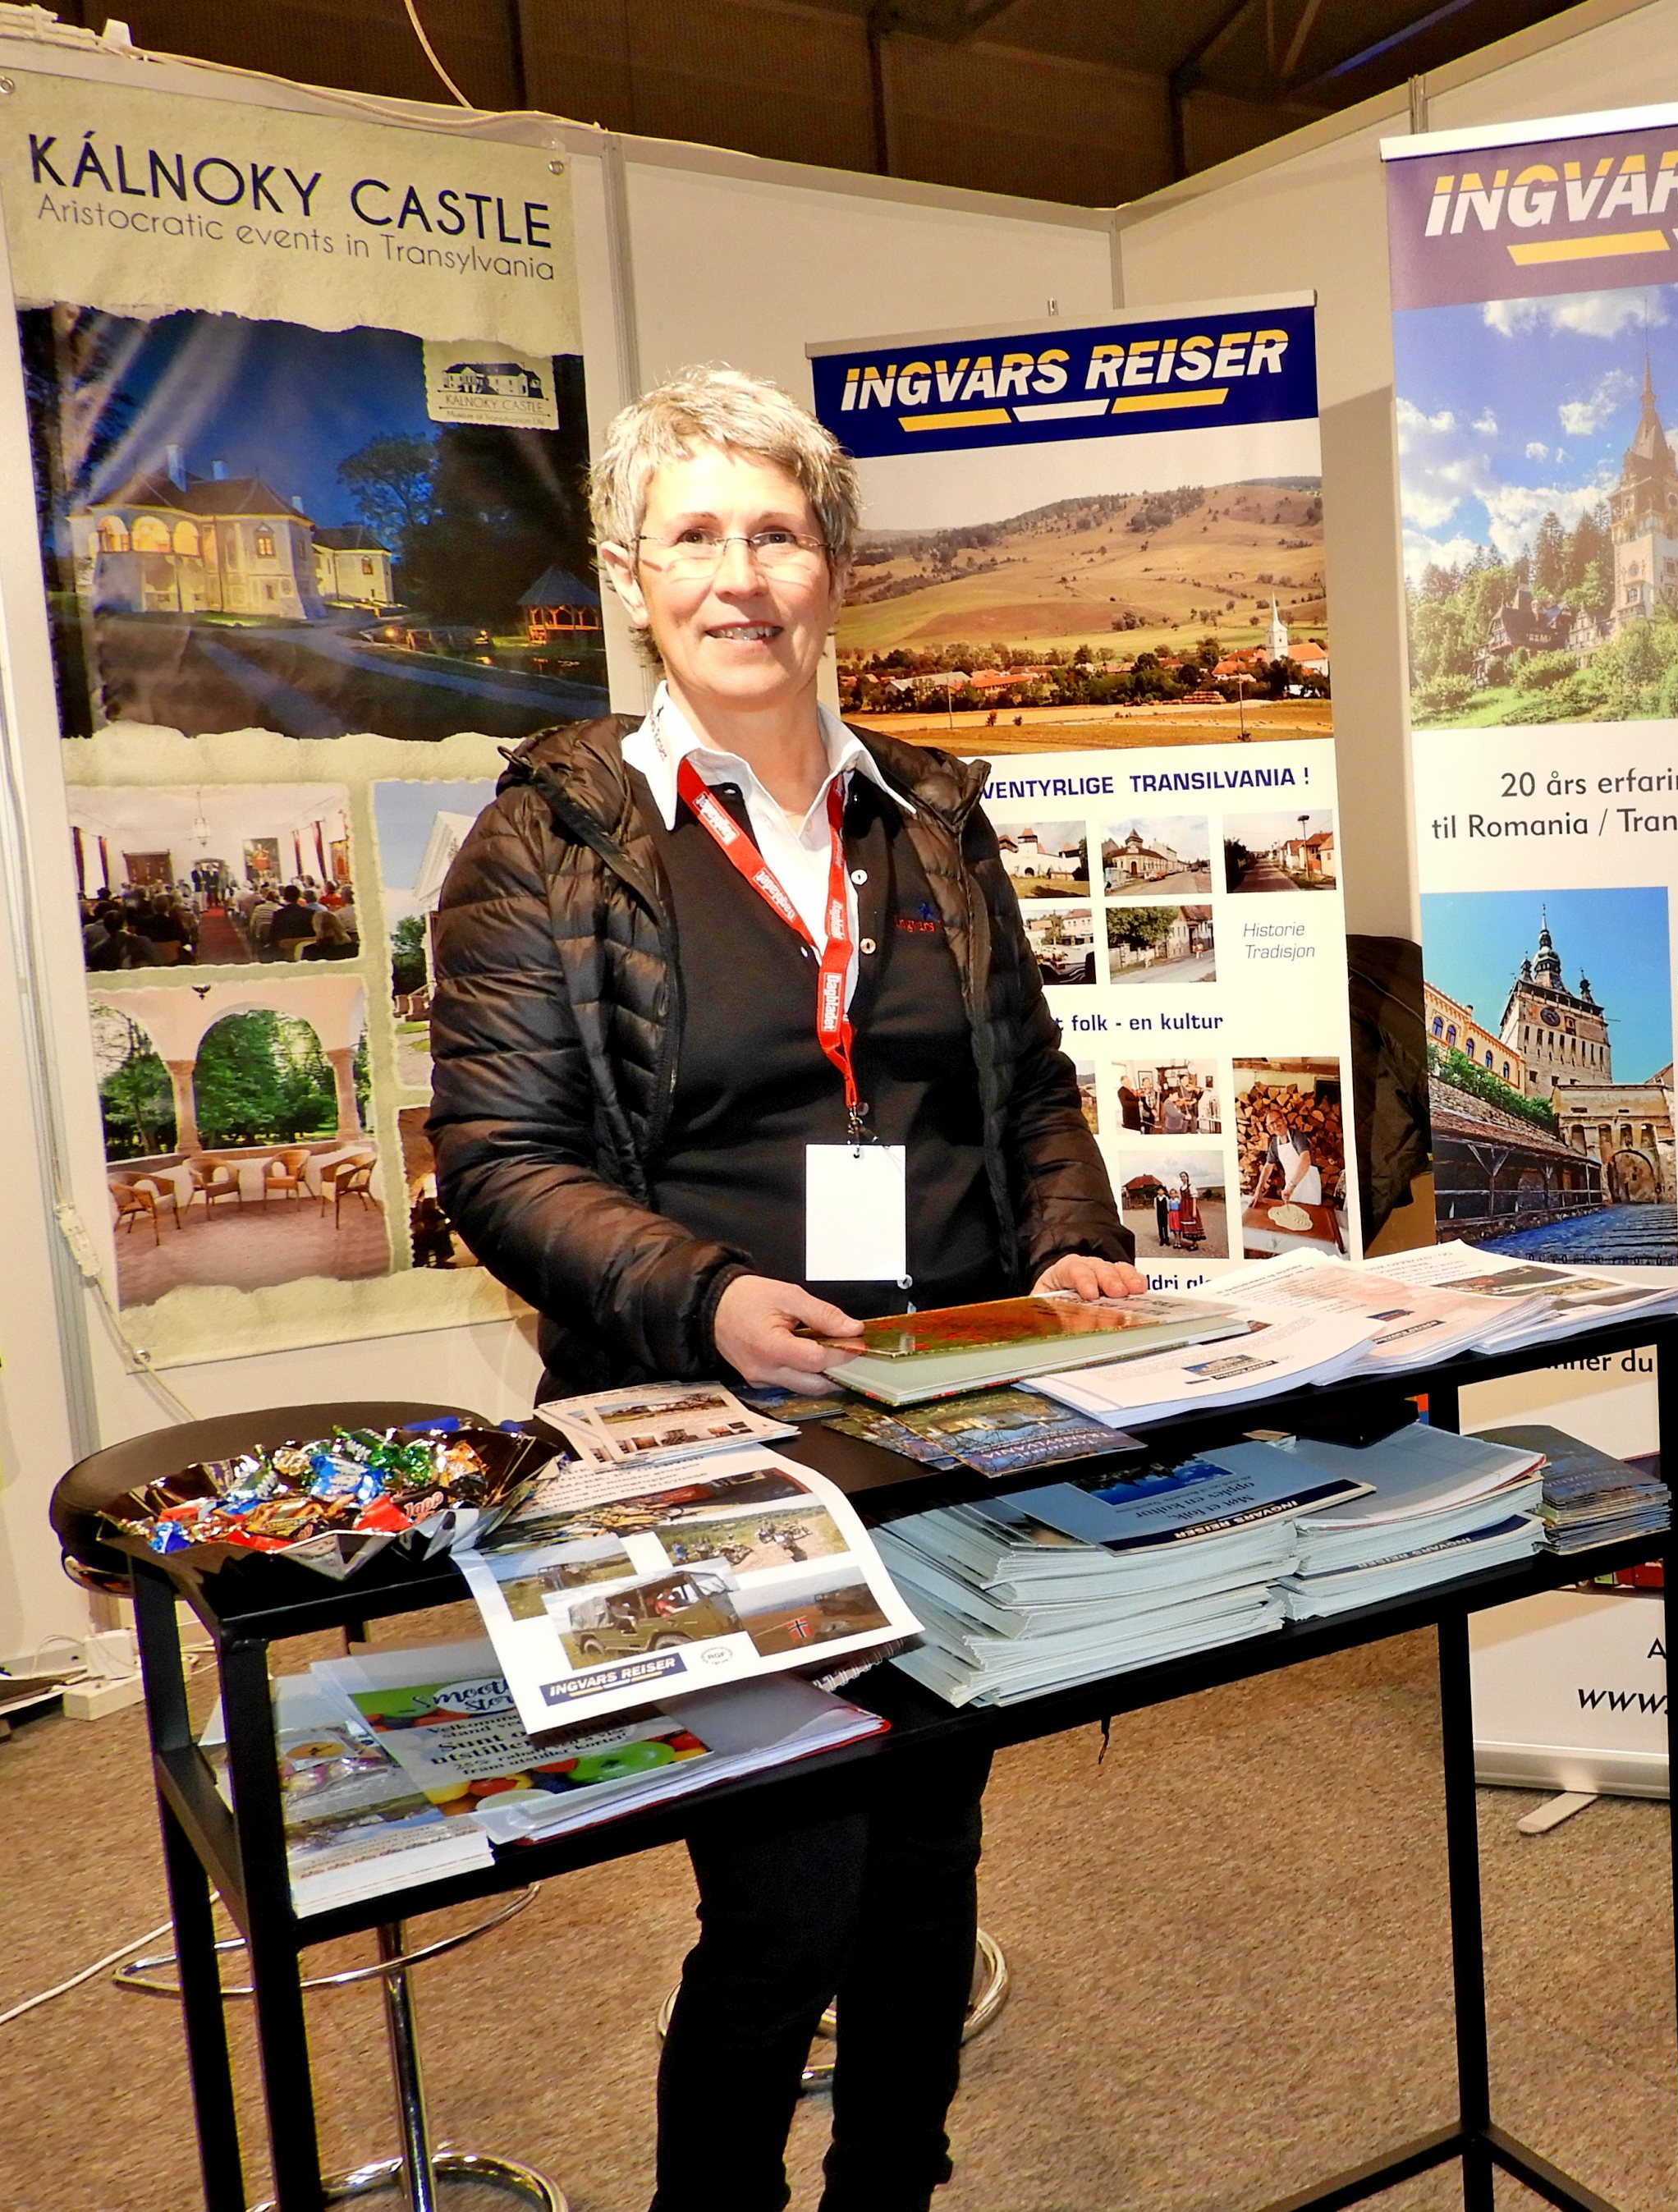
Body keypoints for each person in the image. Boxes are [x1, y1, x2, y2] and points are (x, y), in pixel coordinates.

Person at [425, 363, 1141, 2212]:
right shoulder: (548, 836)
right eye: (693, 538)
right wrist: (708, 1295)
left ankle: (894, 2186)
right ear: (629, 577)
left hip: (948, 1404)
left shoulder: (928, 812)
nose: (739, 577)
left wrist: (1071, 1233)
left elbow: (1025, 1086)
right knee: (784, 1894)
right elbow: (500, 1158)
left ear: (835, 565)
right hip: (704, 1427)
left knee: (930, 1854)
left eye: (776, 533)